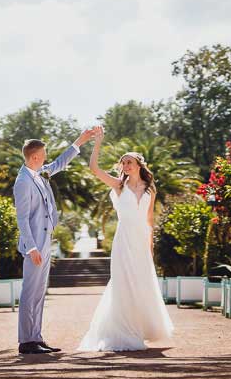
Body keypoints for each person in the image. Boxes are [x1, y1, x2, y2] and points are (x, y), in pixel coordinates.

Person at [78, 125, 174, 351]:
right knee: (123, 284)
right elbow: (94, 168)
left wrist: (150, 248)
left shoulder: (150, 189)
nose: (126, 165)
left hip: (141, 241)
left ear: (139, 165)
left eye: (130, 161)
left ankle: (142, 329)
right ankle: (124, 330)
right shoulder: (118, 186)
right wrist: (98, 143)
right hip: (123, 241)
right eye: (124, 162)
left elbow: (149, 220)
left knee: (142, 284)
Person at [13, 128, 97, 354]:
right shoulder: (22, 181)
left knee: (39, 292)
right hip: (34, 245)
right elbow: (21, 218)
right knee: (30, 292)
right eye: (44, 154)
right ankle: (26, 342)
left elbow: (60, 162)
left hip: (45, 240)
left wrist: (81, 141)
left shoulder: (40, 174)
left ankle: (36, 338)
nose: (47, 158)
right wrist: (31, 247)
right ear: (35, 157)